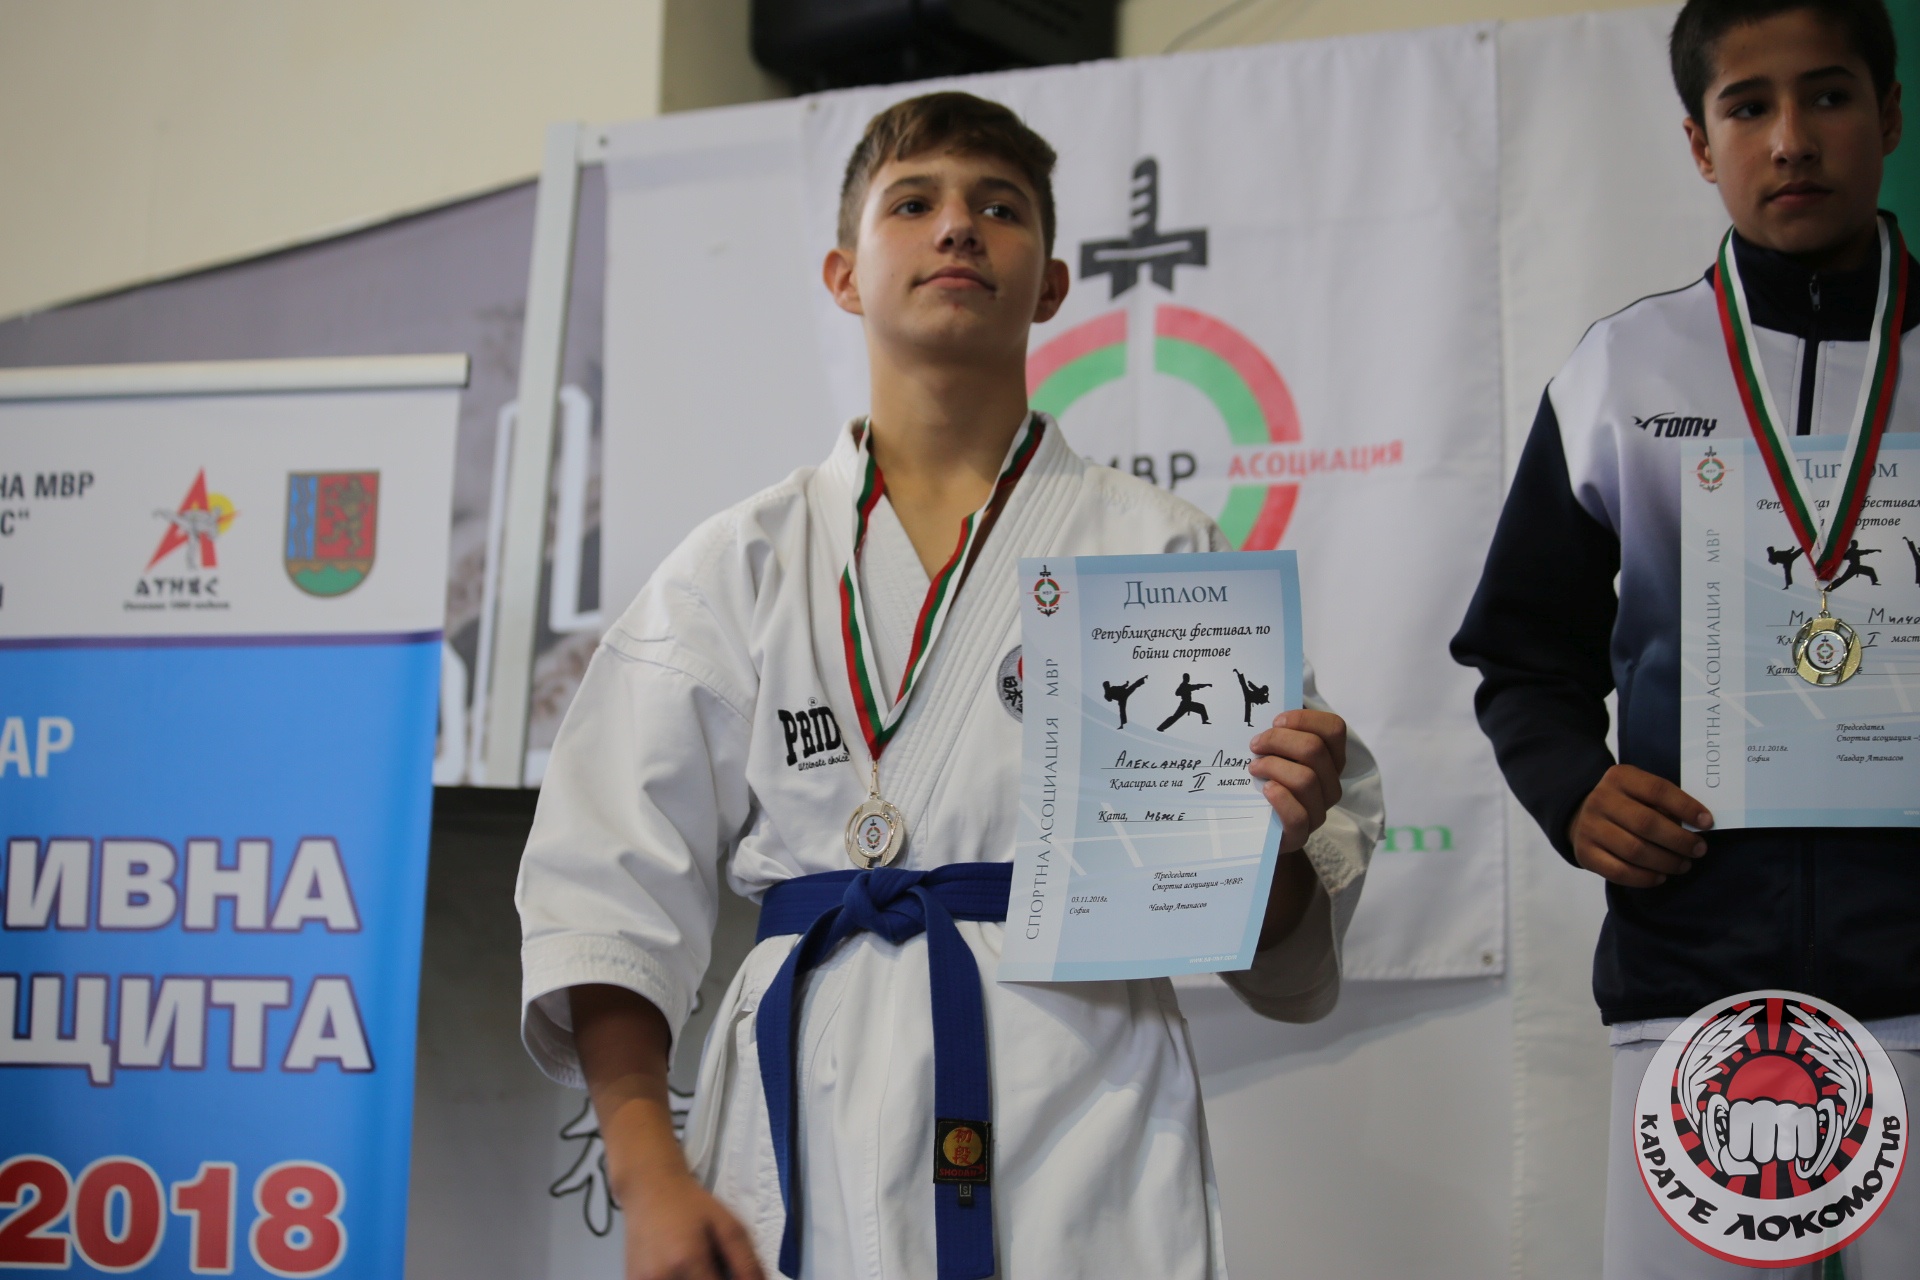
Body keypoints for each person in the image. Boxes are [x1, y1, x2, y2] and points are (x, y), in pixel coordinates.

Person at [517, 92, 1383, 1280]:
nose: (959, 227)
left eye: (1001, 208)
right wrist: (651, 1172)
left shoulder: (1159, 551)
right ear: (842, 274)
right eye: (913, 203)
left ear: (1053, 284)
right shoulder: (744, 561)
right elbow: (607, 881)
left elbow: (1273, 946)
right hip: (798, 1103)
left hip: (1081, 1101)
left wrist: (1276, 838)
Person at [1451, 2, 1918, 1275]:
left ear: (1890, 113)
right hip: (1697, 981)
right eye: (1748, 107)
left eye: (1829, 96)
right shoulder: (1625, 371)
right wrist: (1576, 790)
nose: (1791, 139)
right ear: (1700, 144)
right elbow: (1521, 654)